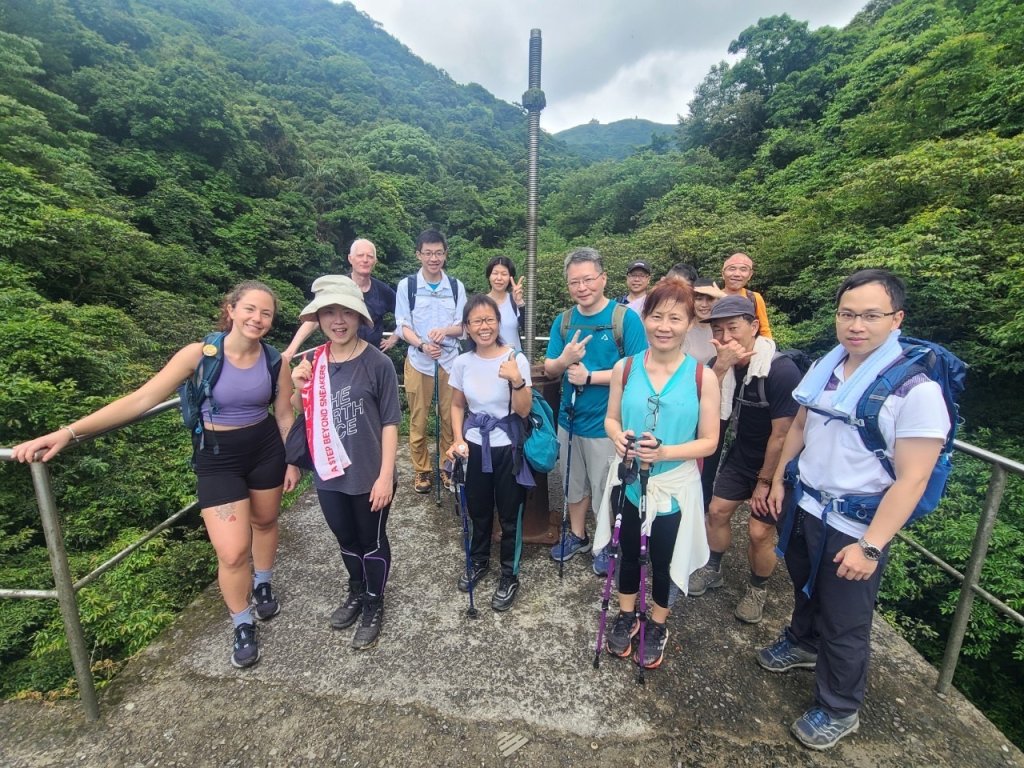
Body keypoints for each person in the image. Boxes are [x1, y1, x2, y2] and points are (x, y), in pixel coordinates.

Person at [11, 282, 299, 669]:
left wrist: (292, 458)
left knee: (265, 521)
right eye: (250, 309)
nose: (258, 319)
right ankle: (242, 621)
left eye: (266, 314)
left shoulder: (275, 360)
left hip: (265, 449)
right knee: (231, 552)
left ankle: (262, 581)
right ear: (230, 309)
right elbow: (142, 399)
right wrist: (68, 432)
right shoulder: (199, 356)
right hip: (217, 457)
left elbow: (283, 413)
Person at [760, 269, 949, 750]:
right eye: (847, 313)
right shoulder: (828, 366)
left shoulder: (917, 390)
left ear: (896, 319)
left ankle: (840, 707)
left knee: (846, 620)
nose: (856, 324)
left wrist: (870, 546)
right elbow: (800, 425)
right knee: (803, 588)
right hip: (807, 504)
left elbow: (914, 477)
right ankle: (802, 644)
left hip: (857, 523)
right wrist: (782, 479)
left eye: (870, 315)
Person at [598, 276, 721, 669]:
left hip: (675, 485)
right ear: (645, 318)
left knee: (666, 558)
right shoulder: (625, 367)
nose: (664, 326)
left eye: (675, 318)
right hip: (629, 478)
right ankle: (627, 614)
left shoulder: (704, 377)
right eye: (656, 316)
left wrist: (667, 451)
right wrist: (618, 438)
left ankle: (658, 622)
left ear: (689, 324)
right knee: (628, 552)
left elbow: (709, 442)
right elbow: (611, 419)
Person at [289, 276, 400, 650]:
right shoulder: (312, 362)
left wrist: (386, 476)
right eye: (330, 312)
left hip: (370, 472)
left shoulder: (379, 363)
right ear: (319, 318)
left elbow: (389, 422)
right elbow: (297, 415)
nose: (338, 320)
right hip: (328, 473)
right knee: (345, 538)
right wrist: (296, 389)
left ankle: (374, 601)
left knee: (371, 540)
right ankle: (356, 589)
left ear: (360, 317)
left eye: (346, 312)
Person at [687, 295, 801, 625]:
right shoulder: (722, 365)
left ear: (754, 326)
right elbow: (699, 403)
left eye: (733, 328)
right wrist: (720, 365)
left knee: (758, 532)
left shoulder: (780, 371)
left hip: (776, 464)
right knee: (717, 510)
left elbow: (782, 435)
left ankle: (758, 589)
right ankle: (713, 568)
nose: (725, 338)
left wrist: (767, 482)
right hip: (742, 454)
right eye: (718, 330)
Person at [544, 247, 648, 572]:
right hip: (569, 420)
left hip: (609, 423)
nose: (582, 287)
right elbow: (550, 367)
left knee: (607, 486)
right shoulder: (564, 322)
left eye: (588, 279)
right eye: (575, 282)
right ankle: (577, 534)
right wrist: (566, 361)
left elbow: (638, 369)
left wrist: (589, 376)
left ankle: (606, 543)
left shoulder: (624, 319)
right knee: (572, 483)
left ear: (603, 279)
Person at [446, 295, 533, 611]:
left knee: (510, 515)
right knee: (478, 510)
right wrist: (458, 439)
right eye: (476, 321)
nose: (483, 326)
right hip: (474, 446)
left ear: (499, 322)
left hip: (507, 446)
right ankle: (479, 559)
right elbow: (457, 405)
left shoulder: (514, 358)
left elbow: (523, 412)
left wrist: (517, 381)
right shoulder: (462, 362)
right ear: (467, 327)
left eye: (489, 320)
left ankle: (509, 574)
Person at [395, 229, 467, 494]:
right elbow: (402, 325)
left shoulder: (457, 287)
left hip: (450, 362)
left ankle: (448, 468)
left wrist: (445, 332)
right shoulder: (408, 286)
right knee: (419, 419)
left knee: (451, 418)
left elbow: (463, 327)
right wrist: (423, 344)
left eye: (438, 253)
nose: (433, 258)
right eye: (428, 253)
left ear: (445, 254)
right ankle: (422, 471)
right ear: (419, 255)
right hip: (418, 361)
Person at [283, 239, 398, 358]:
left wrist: (394, 338)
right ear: (350, 259)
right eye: (360, 255)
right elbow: (313, 320)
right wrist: (290, 352)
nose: (365, 260)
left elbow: (405, 314)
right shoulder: (337, 288)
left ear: (375, 261)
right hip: (339, 356)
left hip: (372, 358)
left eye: (369, 256)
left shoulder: (384, 291)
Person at [721, 253, 773, 339]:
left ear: (750, 275)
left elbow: (764, 329)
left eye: (743, 269)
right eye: (732, 269)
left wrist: (769, 349)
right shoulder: (711, 297)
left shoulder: (754, 298)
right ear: (723, 274)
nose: (737, 274)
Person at [485, 256, 526, 352]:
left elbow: (529, 329)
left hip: (513, 360)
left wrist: (520, 303)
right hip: (487, 360)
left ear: (510, 278)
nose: (499, 278)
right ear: (489, 276)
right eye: (495, 273)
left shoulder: (514, 301)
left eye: (504, 274)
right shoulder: (480, 303)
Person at [683, 278, 726, 366]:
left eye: (710, 299)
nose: (704, 305)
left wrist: (724, 297)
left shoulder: (725, 328)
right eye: (699, 299)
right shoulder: (683, 328)